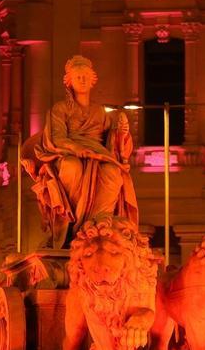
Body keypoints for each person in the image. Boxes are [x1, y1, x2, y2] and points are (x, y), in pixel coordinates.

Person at [20, 55, 138, 248]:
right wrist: (77, 148)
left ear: (93, 79)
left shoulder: (100, 111)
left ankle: (98, 223)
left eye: (85, 76)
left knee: (113, 173)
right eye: (77, 77)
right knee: (72, 168)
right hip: (67, 154)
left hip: (98, 155)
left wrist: (121, 135)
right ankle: (72, 224)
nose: (82, 80)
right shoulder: (59, 109)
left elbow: (110, 142)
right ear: (69, 82)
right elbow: (57, 138)